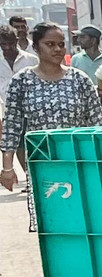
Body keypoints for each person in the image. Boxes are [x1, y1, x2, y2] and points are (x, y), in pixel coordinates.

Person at [1, 22, 102, 229]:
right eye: (50, 44)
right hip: (42, 166)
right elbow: (12, 127)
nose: (57, 49)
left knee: (85, 222)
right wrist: (7, 168)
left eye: (61, 44)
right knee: (51, 225)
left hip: (79, 163)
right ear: (36, 47)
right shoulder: (21, 81)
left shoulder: (80, 80)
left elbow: (97, 125)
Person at [0, 24, 37, 182]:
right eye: (3, 44)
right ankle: (29, 177)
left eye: (10, 43)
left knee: (34, 143)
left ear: (16, 40)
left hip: (33, 109)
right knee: (18, 144)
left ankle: (36, 174)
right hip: (9, 111)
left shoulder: (31, 59)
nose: (7, 47)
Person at [71, 26, 102, 122]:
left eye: (83, 37)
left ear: (93, 40)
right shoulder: (76, 59)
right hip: (85, 106)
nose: (78, 40)